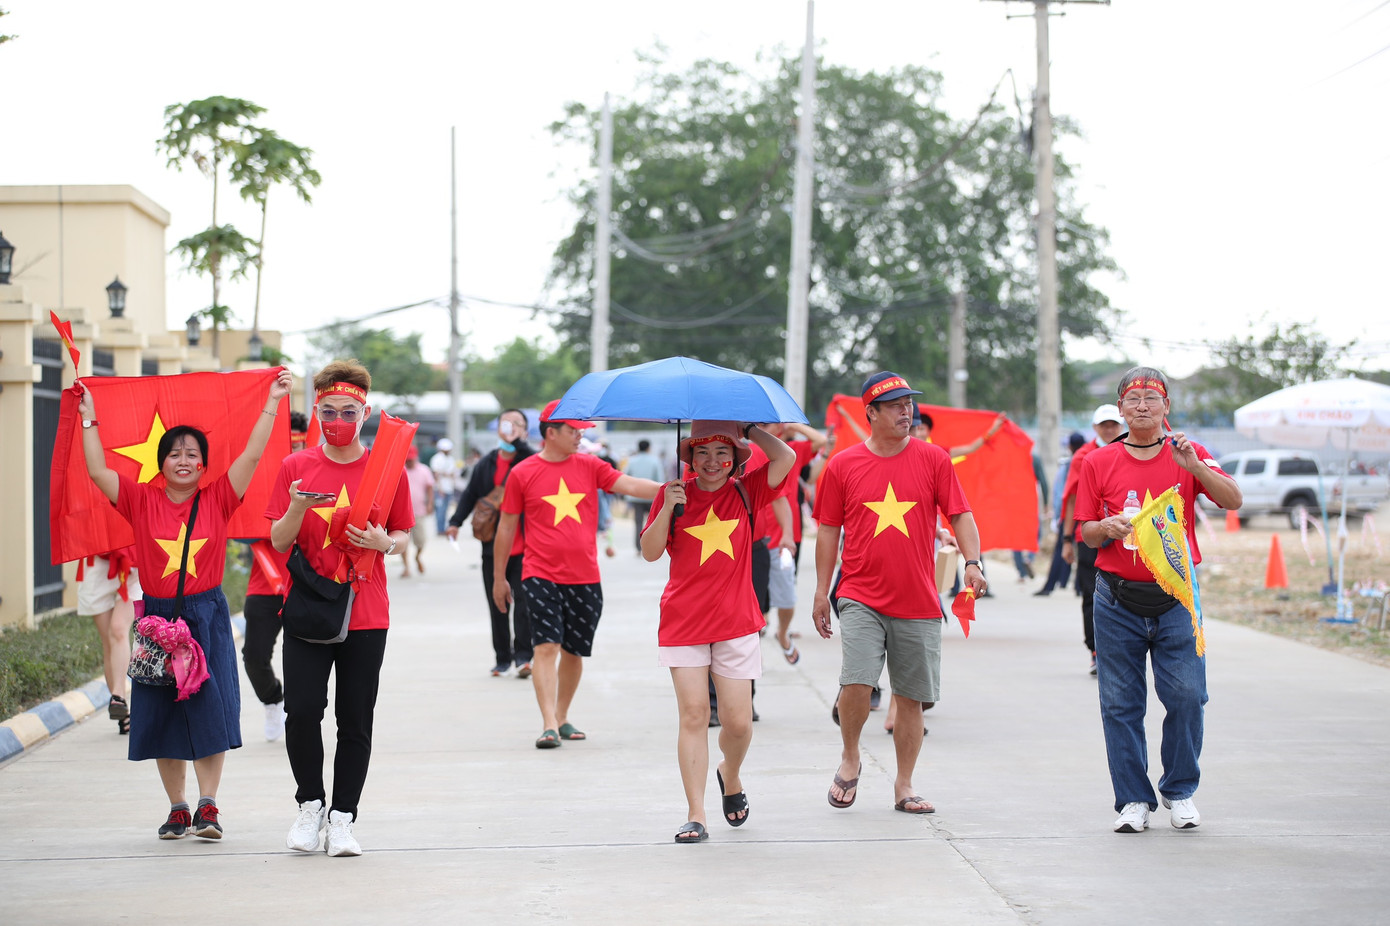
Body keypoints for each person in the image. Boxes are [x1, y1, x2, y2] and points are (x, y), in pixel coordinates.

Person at [78, 367, 293, 841]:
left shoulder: (218, 498)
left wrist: (273, 402)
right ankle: (178, 808)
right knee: (160, 713)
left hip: (208, 616)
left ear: (202, 466)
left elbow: (254, 454)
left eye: (191, 454)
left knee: (211, 710)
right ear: (161, 464)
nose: (182, 459)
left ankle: (208, 806)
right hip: (157, 620)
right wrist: (89, 419)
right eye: (173, 453)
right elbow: (97, 471)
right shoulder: (138, 499)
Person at [1074, 366, 1240, 833]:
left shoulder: (1190, 454)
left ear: (1167, 406)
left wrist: (1196, 468)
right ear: (1121, 409)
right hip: (1116, 600)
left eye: (1152, 397)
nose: (1142, 405)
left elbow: (1233, 500)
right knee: (1120, 704)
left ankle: (1180, 789)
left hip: (1177, 598)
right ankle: (1132, 800)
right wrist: (1104, 528)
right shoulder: (1098, 462)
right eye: (1133, 399)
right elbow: (1084, 532)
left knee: (1187, 696)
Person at [811, 372, 986, 815]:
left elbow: (960, 514)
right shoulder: (843, 465)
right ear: (870, 413)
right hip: (859, 593)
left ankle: (904, 785)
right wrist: (819, 591)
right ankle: (850, 756)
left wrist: (972, 562)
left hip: (919, 598)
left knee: (909, 696)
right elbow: (828, 532)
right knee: (857, 680)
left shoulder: (933, 459)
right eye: (894, 405)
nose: (906, 411)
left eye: (908, 403)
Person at [268, 360, 413, 857]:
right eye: (328, 409)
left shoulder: (386, 468)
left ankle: (343, 818)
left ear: (365, 411)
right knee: (302, 711)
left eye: (348, 410)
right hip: (309, 607)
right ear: (316, 410)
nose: (338, 418)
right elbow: (277, 538)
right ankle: (309, 806)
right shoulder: (296, 466)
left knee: (355, 719)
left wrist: (383, 542)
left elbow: (402, 531)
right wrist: (297, 508)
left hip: (367, 609)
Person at [641, 420, 794, 842]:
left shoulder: (748, 490)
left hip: (736, 621)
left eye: (722, 453)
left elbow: (787, 457)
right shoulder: (671, 495)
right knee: (693, 715)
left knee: (738, 723)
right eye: (703, 452)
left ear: (734, 459)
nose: (713, 462)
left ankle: (731, 773)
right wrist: (668, 508)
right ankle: (696, 814)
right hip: (683, 622)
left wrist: (749, 428)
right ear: (689, 457)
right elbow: (651, 553)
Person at [491, 399, 662, 748]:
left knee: (574, 651)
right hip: (539, 574)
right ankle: (548, 723)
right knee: (546, 647)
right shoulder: (523, 473)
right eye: (573, 431)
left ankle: (564, 715)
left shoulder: (590, 465)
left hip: (585, 576)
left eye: (581, 432)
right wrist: (499, 578)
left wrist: (673, 490)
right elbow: (506, 528)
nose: (579, 437)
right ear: (551, 433)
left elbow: (627, 485)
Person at [447, 407, 536, 677]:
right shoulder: (486, 463)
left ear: (525, 430)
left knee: (523, 603)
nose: (509, 428)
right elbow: (470, 494)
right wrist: (455, 521)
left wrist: (518, 444)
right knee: (497, 602)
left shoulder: (531, 459)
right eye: (505, 423)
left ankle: (524, 657)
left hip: (525, 546)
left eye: (516, 424)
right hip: (492, 546)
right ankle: (502, 659)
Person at [241, 409, 310, 743]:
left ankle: (300, 716)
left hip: (309, 586)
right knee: (254, 657)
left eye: (298, 443)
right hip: (265, 584)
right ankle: (273, 700)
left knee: (306, 663)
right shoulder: (259, 477)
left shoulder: (317, 472)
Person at [1060, 404, 1126, 674]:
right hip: (1088, 534)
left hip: (1124, 532)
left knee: (1122, 594)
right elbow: (1072, 497)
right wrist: (1066, 538)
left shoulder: (1130, 450)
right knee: (1092, 594)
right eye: (1104, 425)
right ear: (1095, 428)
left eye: (1114, 424)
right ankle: (1096, 650)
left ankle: (1118, 649)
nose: (1109, 429)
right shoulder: (1084, 456)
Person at [761, 422, 827, 664]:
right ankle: (757, 635)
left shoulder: (792, 451)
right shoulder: (751, 451)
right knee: (756, 597)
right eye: (759, 424)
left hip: (786, 536)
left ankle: (782, 632)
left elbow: (820, 441)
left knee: (787, 596)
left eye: (768, 423)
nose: (763, 427)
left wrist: (794, 425)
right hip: (756, 533)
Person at [76, 547, 140, 734]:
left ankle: (118, 696)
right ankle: (123, 710)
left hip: (133, 558)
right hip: (97, 559)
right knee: (108, 642)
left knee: (118, 630)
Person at [1033, 431, 1087, 596]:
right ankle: (1079, 587)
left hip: (1072, 512)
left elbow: (1063, 492)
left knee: (1062, 548)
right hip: (1086, 511)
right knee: (1084, 549)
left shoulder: (1072, 463)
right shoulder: (1089, 457)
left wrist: (1058, 514)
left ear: (1070, 446)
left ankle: (1050, 586)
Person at [1012, 453, 1049, 582]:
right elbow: (1043, 482)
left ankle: (1021, 573)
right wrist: (1045, 504)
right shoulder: (1035, 458)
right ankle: (1029, 558)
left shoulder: (1012, 458)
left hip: (1014, 500)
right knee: (1036, 533)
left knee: (1016, 537)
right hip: (1030, 500)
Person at [623, 439, 665, 551]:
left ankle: (638, 547)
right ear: (648, 448)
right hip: (652, 496)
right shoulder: (655, 461)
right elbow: (660, 479)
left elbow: (625, 476)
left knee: (638, 522)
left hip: (636, 496)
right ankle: (652, 547)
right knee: (653, 523)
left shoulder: (631, 461)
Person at [399, 444, 435, 577]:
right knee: (402, 541)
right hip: (402, 512)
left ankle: (418, 557)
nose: (409, 462)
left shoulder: (424, 470)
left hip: (419, 511)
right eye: (407, 459)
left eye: (411, 459)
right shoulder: (400, 470)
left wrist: (430, 503)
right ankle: (406, 567)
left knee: (421, 540)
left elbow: (430, 488)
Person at [429, 437, 459, 534]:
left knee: (446, 510)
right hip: (440, 489)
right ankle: (440, 529)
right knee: (440, 510)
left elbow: (453, 473)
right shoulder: (437, 459)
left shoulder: (450, 459)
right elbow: (436, 475)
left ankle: (442, 528)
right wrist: (440, 488)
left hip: (449, 488)